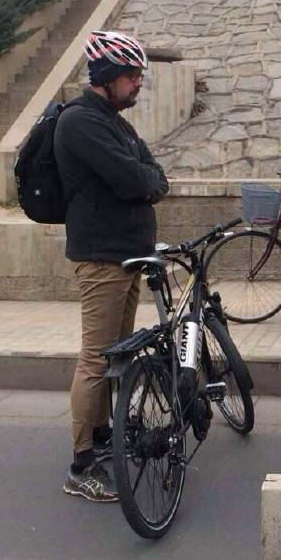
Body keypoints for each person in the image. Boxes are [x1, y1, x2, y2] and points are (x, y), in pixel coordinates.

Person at [54, 30, 169, 502]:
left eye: (139, 74)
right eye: (131, 74)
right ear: (105, 76)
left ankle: (102, 435)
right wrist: (144, 181)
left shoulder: (114, 121)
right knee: (97, 358)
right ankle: (80, 465)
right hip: (102, 260)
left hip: (125, 258)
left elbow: (153, 174)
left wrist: (146, 181)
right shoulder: (81, 122)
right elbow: (130, 178)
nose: (138, 82)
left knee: (116, 356)